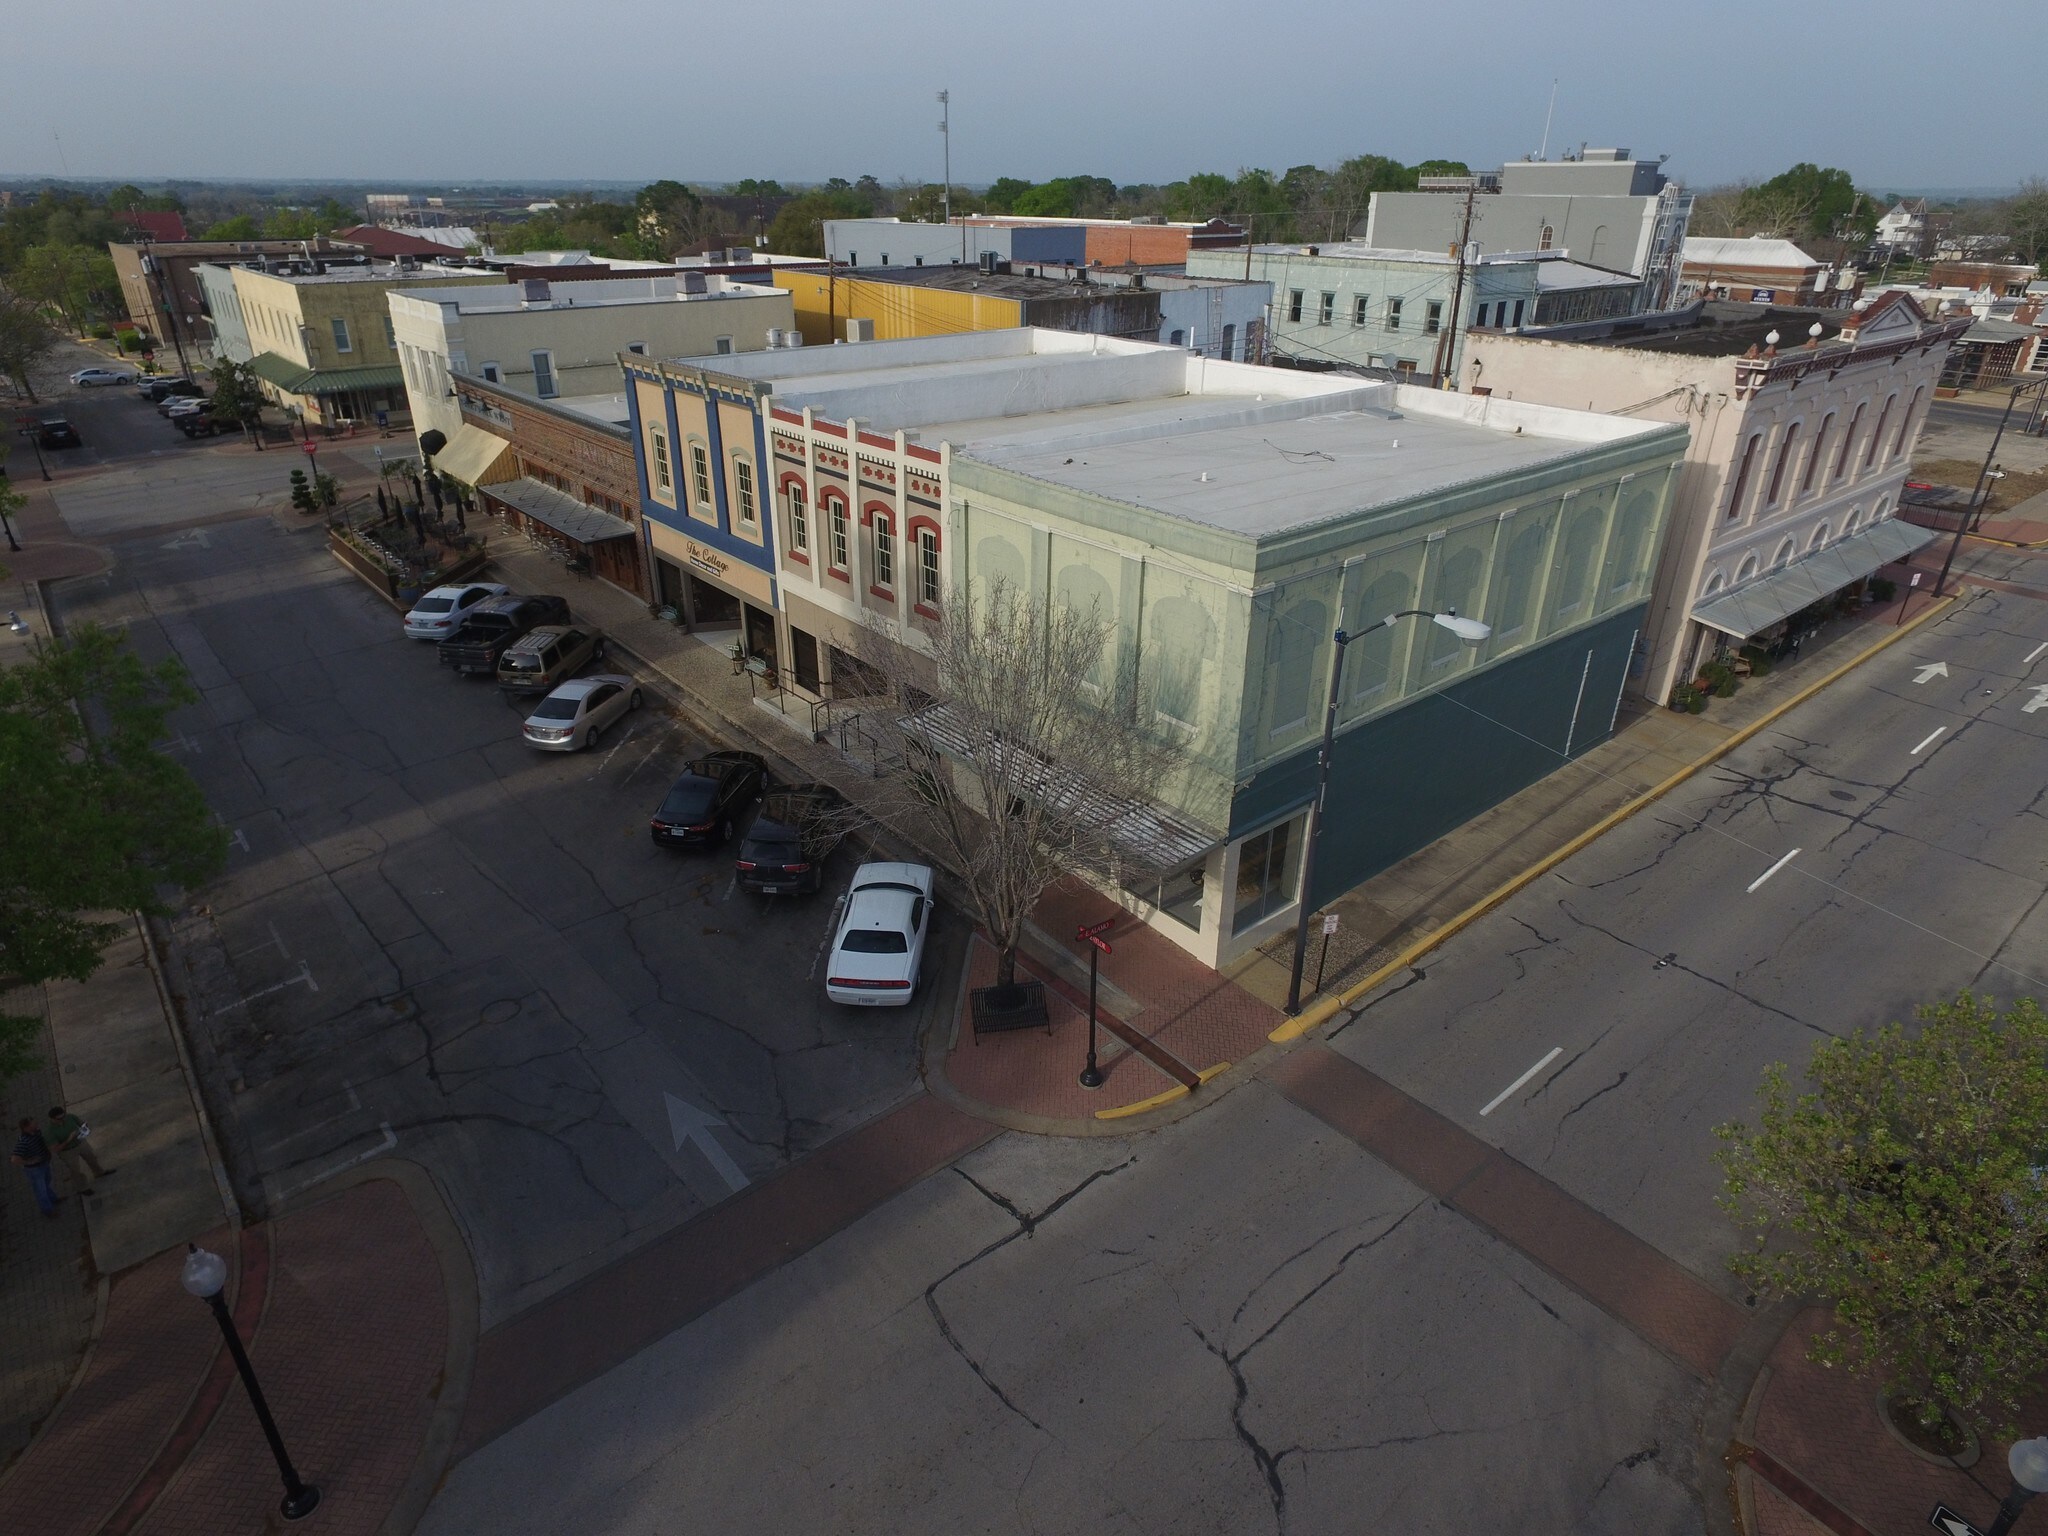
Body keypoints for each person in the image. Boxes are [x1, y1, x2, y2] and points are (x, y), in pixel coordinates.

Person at [47, 1105, 111, 1191]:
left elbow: (81, 1123)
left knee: (92, 1158)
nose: (63, 1119)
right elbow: (56, 1149)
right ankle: (82, 1188)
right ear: (52, 1119)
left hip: (80, 1143)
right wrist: (68, 1140)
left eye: (63, 1116)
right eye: (59, 1119)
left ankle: (99, 1172)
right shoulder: (49, 1132)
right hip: (67, 1151)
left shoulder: (70, 1117)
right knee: (75, 1170)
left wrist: (84, 1127)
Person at [11, 1118, 61, 1217]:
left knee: (46, 1183)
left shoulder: (36, 1132)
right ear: (26, 1127)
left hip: (44, 1163)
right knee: (40, 1190)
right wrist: (29, 1161)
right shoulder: (23, 1142)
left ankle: (53, 1199)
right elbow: (14, 1159)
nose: (37, 1124)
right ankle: (48, 1210)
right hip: (34, 1169)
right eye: (33, 1123)